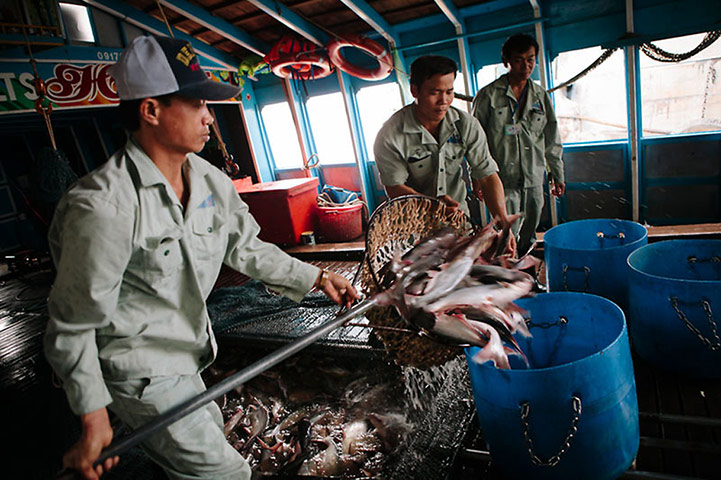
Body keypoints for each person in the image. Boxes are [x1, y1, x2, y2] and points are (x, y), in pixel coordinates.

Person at [44, 35, 359, 480]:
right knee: (227, 474)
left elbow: (245, 246)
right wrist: (94, 418)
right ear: (150, 110)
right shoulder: (101, 206)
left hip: (189, 352)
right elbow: (72, 325)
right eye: (196, 104)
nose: (211, 116)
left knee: (205, 443)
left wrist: (316, 276)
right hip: (139, 371)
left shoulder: (209, 179)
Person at [373, 55, 514, 242]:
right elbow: (395, 187)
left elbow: (487, 176)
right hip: (413, 229)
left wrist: (503, 222)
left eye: (449, 91)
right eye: (435, 92)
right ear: (415, 90)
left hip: (458, 222)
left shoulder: (466, 125)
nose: (444, 101)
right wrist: (432, 205)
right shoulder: (390, 135)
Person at [472, 33, 565, 256]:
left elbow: (551, 138)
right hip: (500, 180)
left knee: (529, 232)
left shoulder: (540, 96)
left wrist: (557, 173)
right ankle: (505, 276)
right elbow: (474, 142)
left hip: (533, 178)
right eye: (519, 59)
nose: (526, 65)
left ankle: (525, 273)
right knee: (504, 233)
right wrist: (477, 178)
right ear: (507, 61)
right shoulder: (488, 96)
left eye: (531, 59)